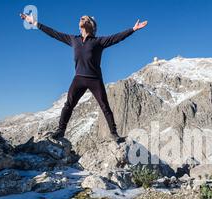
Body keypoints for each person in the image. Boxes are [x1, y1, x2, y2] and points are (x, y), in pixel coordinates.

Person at [20, 13, 148, 142]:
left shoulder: (98, 42)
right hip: (79, 78)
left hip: (95, 79)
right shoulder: (73, 39)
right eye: (81, 18)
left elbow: (116, 38)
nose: (81, 19)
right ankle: (60, 131)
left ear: (91, 25)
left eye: (85, 19)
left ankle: (114, 134)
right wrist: (34, 22)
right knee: (68, 105)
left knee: (105, 106)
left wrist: (133, 29)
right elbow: (53, 33)